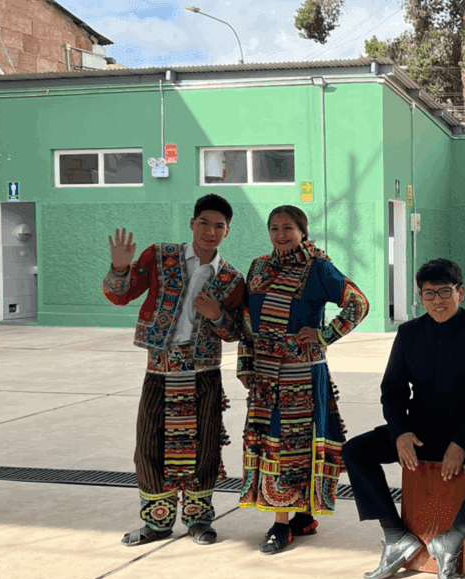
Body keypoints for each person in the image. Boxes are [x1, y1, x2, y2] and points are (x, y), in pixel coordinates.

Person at [341, 259, 465, 579]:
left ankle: (451, 540)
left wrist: (462, 442)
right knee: (355, 451)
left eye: (445, 292)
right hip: (422, 431)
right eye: (429, 293)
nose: (437, 301)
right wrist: (400, 433)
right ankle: (395, 537)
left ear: (460, 292)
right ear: (420, 297)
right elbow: (392, 391)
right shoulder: (409, 334)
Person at [103, 193, 245, 546]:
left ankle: (199, 520)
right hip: (160, 369)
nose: (210, 232)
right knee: (150, 445)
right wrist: (120, 268)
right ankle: (157, 522)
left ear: (227, 232)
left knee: (205, 446)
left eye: (218, 226)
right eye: (204, 223)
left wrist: (217, 315)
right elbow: (122, 295)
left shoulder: (230, 278)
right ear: (192, 224)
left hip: (204, 373)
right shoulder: (161, 256)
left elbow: (235, 332)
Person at [238, 205, 370, 554]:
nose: (280, 234)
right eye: (273, 228)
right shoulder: (258, 267)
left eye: (287, 228)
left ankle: (280, 526)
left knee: (290, 446)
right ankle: (302, 516)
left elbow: (357, 303)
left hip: (300, 375)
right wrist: (246, 366)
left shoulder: (318, 267)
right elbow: (247, 318)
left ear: (302, 231)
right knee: (272, 442)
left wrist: (325, 335)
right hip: (265, 375)